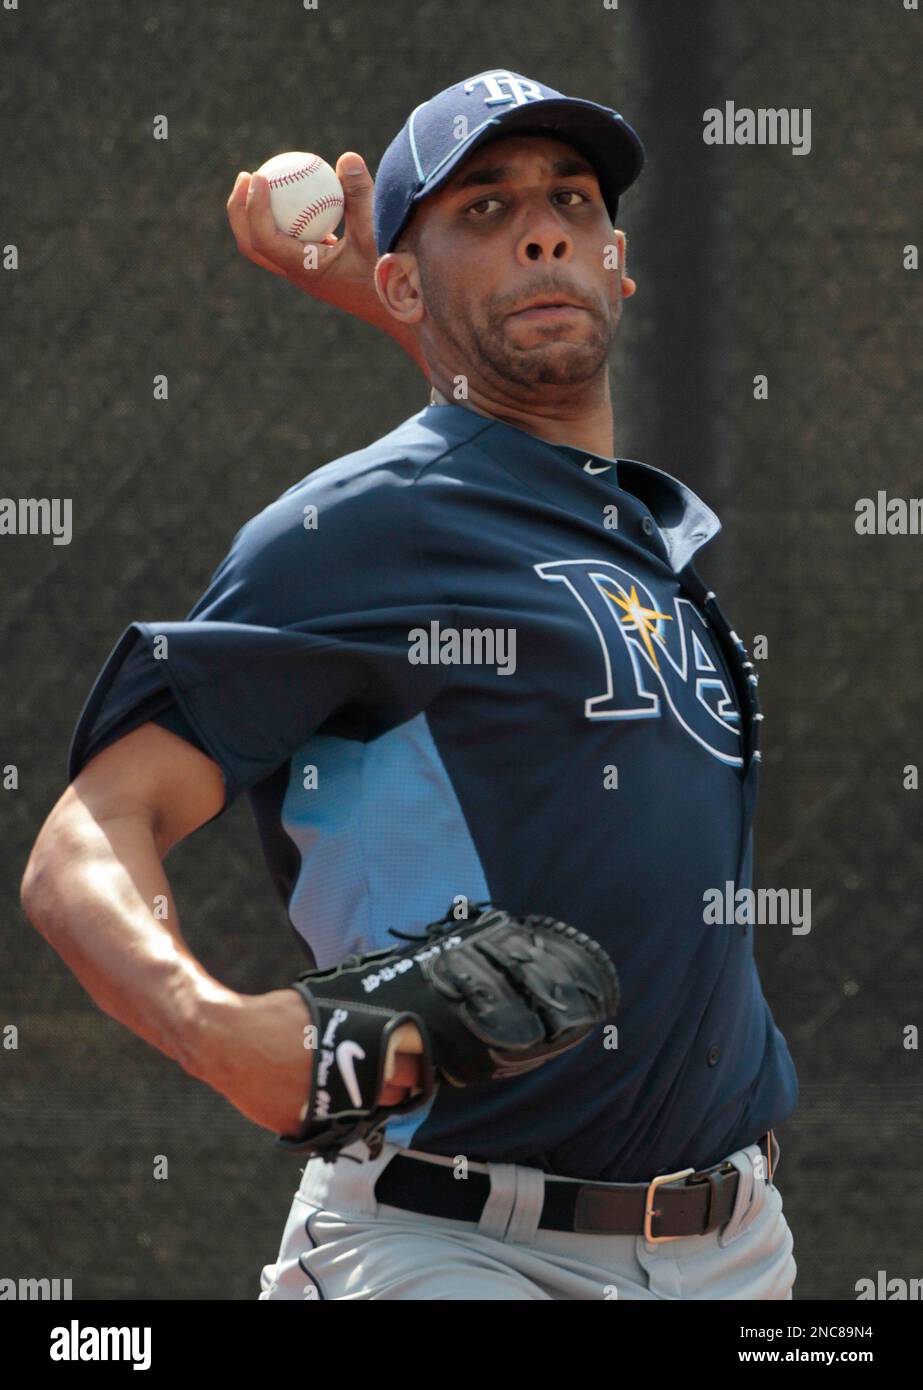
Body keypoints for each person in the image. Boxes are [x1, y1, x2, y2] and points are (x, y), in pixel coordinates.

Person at [21, 70, 798, 1300]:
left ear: (618, 261)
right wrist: (215, 1028)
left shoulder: (618, 527)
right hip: (454, 1244)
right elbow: (85, 836)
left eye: (570, 201)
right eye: (481, 208)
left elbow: (504, 444)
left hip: (737, 1250)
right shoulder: (352, 529)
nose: (541, 226)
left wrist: (427, 300)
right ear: (402, 275)